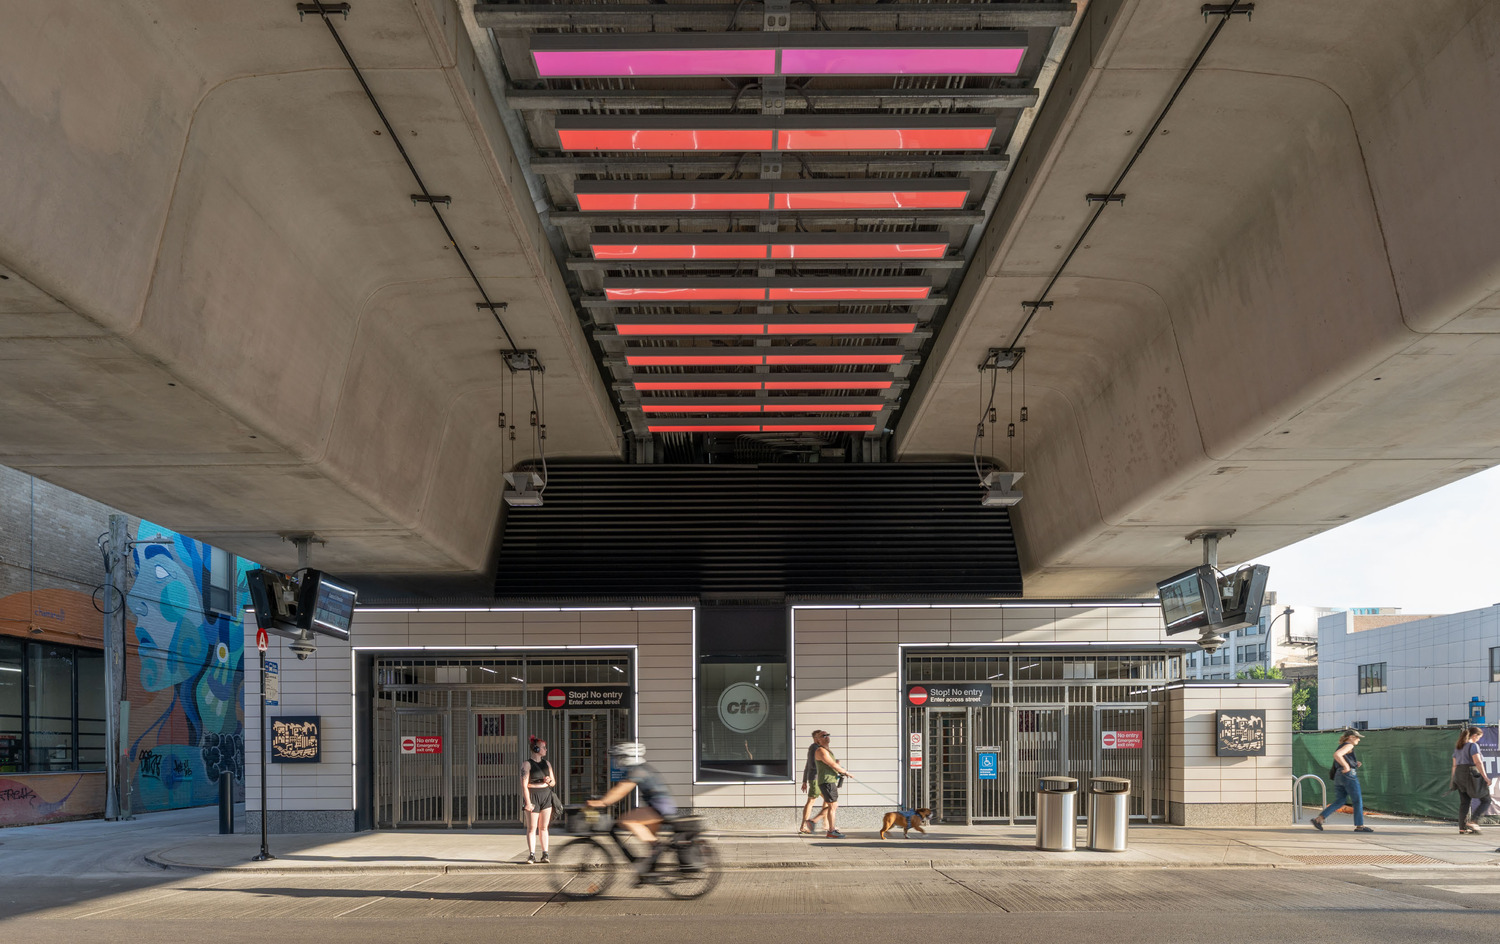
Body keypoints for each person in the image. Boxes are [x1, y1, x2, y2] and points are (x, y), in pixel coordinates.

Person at [587, 741, 678, 879]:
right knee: (650, 843)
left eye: (619, 757)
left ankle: (655, 850)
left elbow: (620, 791)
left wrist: (602, 802)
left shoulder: (637, 770)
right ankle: (648, 872)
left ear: (626, 757)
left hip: (659, 806)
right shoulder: (642, 768)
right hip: (662, 804)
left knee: (626, 820)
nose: (617, 761)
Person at [1312, 730, 1372, 833]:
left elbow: (1340, 756)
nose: (1359, 739)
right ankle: (1360, 826)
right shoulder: (1349, 745)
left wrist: (1353, 763)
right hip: (1349, 775)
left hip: (1339, 775)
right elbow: (1337, 755)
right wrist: (1347, 766)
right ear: (1351, 737)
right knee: (1357, 800)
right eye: (1357, 737)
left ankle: (1319, 819)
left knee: (1340, 801)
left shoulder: (1342, 745)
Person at [520, 736, 556, 863]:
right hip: (533, 794)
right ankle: (532, 854)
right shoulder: (527, 764)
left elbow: (553, 783)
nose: (545, 750)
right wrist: (528, 802)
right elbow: (524, 785)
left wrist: (549, 780)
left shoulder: (547, 764)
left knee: (544, 827)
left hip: (545, 794)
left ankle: (545, 854)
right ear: (536, 749)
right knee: (532, 827)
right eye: (543, 747)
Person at [1451, 725, 1491, 835]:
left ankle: (1462, 828)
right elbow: (1478, 762)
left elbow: (1454, 766)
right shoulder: (1473, 746)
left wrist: (1453, 780)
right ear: (1474, 736)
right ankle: (1474, 821)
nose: (1479, 739)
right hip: (1471, 775)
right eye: (1479, 737)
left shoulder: (1458, 747)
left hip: (1459, 776)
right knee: (1486, 799)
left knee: (1465, 802)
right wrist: (1485, 777)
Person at [812, 730, 852, 839]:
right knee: (832, 805)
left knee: (833, 805)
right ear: (818, 740)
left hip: (830, 780)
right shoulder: (821, 750)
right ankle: (831, 831)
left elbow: (833, 764)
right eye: (823, 736)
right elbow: (832, 764)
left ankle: (819, 823)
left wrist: (838, 767)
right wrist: (845, 772)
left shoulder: (827, 750)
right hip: (826, 781)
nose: (826, 737)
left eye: (827, 735)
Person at [798, 729, 830, 835]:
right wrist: (805, 781)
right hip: (816, 778)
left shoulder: (818, 748)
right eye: (820, 736)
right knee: (811, 801)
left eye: (824, 736)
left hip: (819, 778)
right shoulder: (814, 748)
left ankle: (825, 824)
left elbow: (807, 764)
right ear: (815, 738)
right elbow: (811, 765)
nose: (823, 738)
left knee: (828, 800)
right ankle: (803, 826)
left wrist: (804, 781)